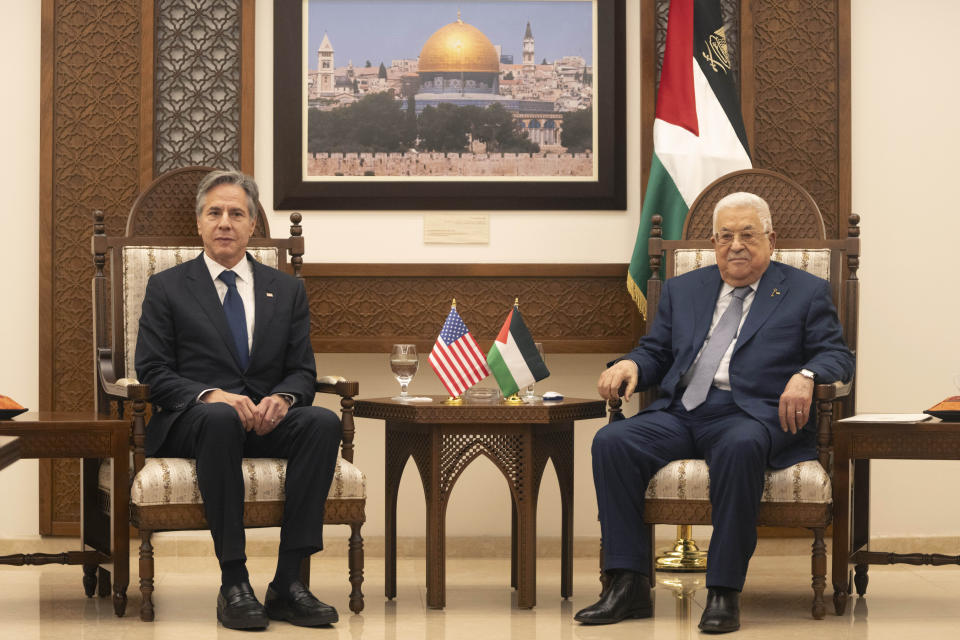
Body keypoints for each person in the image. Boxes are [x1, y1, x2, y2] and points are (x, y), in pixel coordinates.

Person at [575, 192, 854, 633]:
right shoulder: (685, 288)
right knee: (613, 441)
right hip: (682, 410)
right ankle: (626, 583)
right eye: (725, 236)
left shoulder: (804, 291)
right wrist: (630, 363)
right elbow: (657, 351)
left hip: (751, 416)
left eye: (747, 234)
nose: (736, 245)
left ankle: (723, 591)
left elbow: (837, 356)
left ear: (771, 239)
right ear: (713, 242)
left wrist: (806, 373)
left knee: (740, 446)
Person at [135, 170, 342, 630]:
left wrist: (284, 399)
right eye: (215, 213)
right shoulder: (167, 287)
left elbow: (302, 369)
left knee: (322, 423)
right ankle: (234, 582)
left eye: (236, 213)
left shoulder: (286, 289)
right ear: (199, 224)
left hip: (265, 420)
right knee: (220, 419)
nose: (225, 222)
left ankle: (288, 583)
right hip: (196, 422)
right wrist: (212, 395)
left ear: (252, 227)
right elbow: (152, 370)